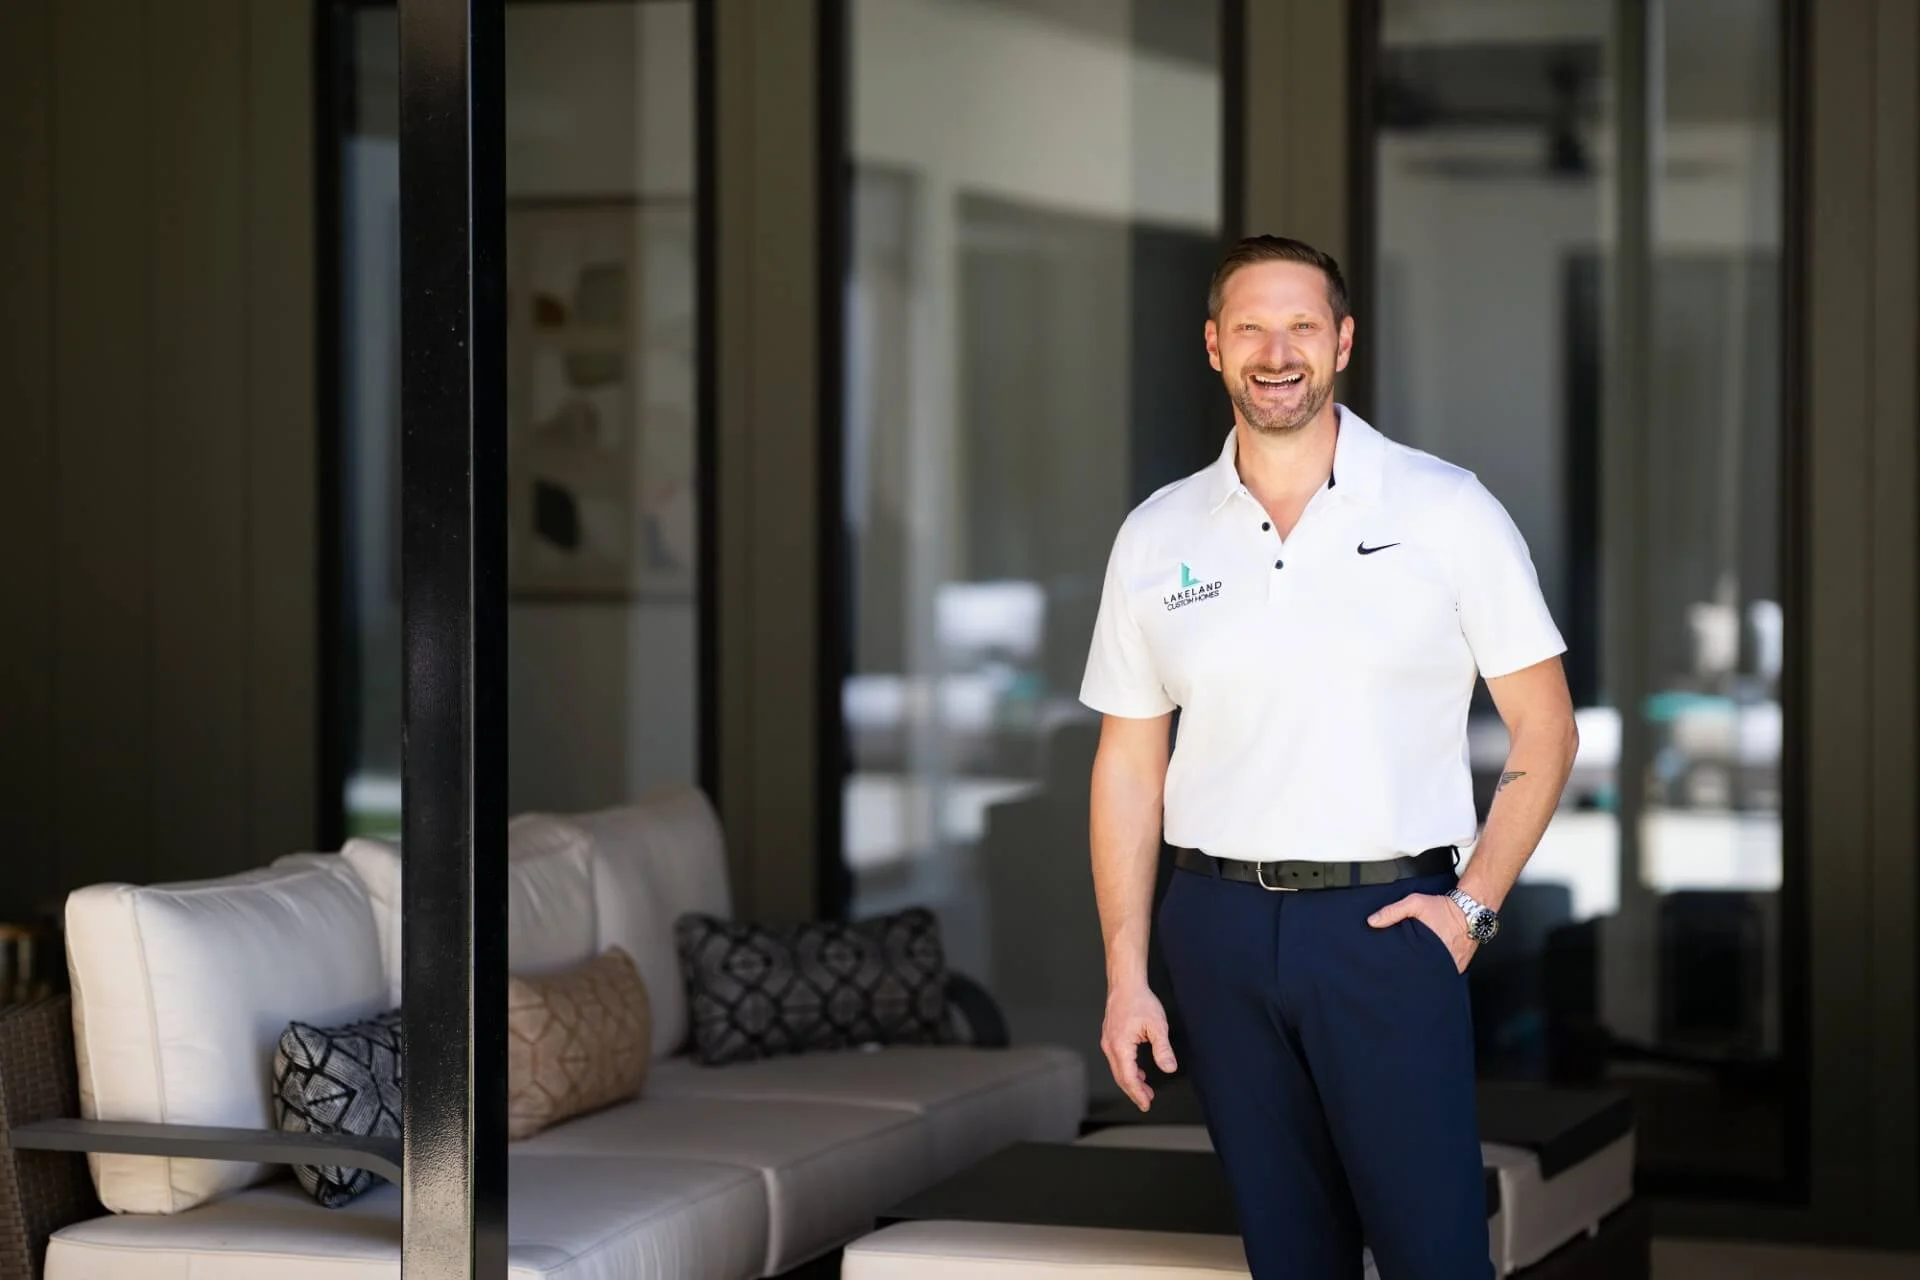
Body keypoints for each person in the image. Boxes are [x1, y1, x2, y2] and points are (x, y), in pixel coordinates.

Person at [1079, 235, 1578, 1280]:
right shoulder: (1157, 532)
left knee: (1434, 1256)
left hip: (1387, 928)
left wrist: (1473, 906)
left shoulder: (1446, 510)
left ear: (1343, 341)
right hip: (1213, 929)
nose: (1277, 351)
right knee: (1288, 1257)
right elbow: (1129, 762)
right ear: (1213, 345)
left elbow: (1546, 724)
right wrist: (1129, 973)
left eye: (1302, 325)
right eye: (1251, 326)